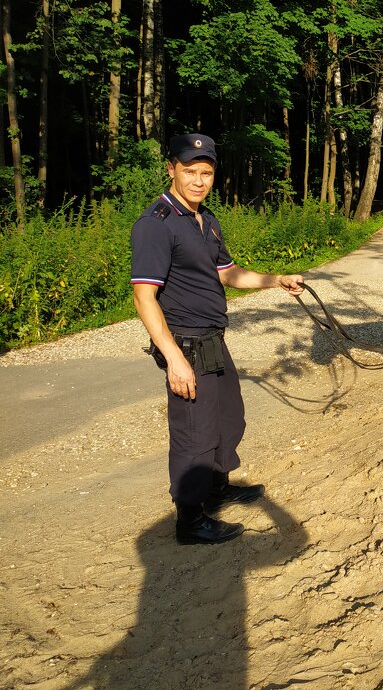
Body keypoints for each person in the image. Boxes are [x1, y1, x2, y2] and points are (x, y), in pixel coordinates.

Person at [130, 133, 305, 545]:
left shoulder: (205, 220)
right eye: (189, 171)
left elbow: (228, 273)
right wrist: (172, 356)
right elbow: (144, 296)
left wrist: (275, 280)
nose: (198, 180)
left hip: (213, 338)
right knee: (195, 432)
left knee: (229, 418)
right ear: (171, 168)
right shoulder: (156, 224)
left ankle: (217, 488)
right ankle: (189, 519)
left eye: (205, 172)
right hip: (186, 342)